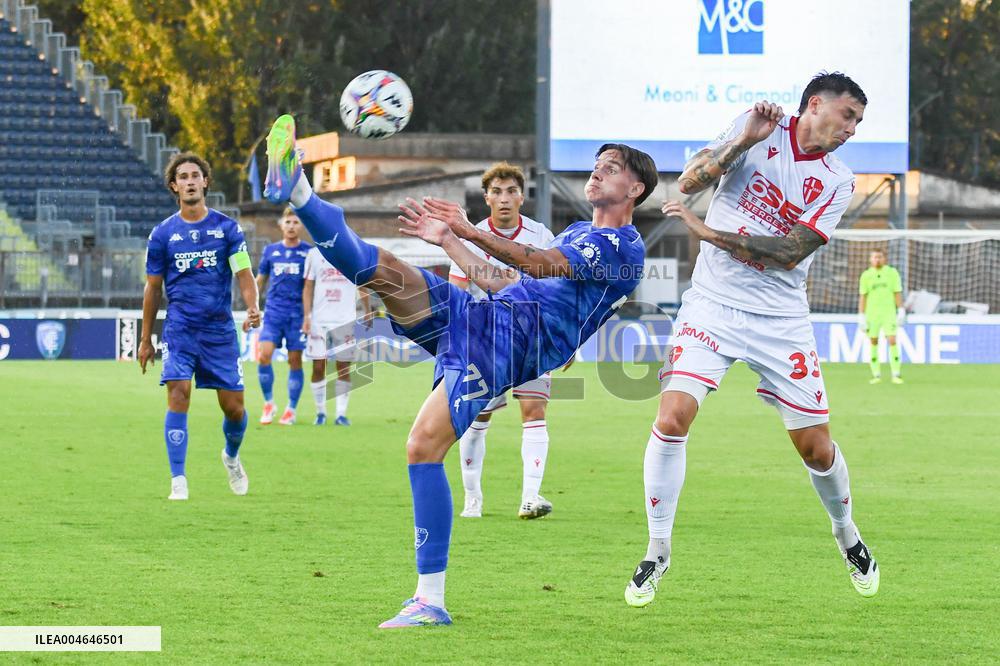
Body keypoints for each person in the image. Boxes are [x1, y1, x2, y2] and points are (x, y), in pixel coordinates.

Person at [262, 113, 656, 627]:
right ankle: (298, 191)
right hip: (484, 315)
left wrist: (467, 228)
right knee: (380, 267)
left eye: (611, 168)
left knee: (422, 447)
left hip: (507, 347)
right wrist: (449, 241)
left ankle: (430, 600)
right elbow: (506, 283)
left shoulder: (623, 247)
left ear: (636, 188)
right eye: (597, 165)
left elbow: (535, 265)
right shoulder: (580, 230)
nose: (597, 173)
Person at [624, 72, 880, 608]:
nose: (853, 128)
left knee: (815, 447)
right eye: (849, 115)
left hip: (780, 319)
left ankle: (847, 533)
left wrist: (708, 233)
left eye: (858, 120)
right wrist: (742, 140)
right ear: (816, 105)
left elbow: (789, 251)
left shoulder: (837, 180)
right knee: (671, 417)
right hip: (711, 306)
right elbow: (690, 182)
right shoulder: (757, 129)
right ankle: (656, 550)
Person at [139, 152, 259, 501]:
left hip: (219, 331)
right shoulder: (162, 234)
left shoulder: (226, 229)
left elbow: (243, 272)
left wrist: (253, 307)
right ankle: (178, 479)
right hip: (180, 329)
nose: (190, 181)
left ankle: (231, 456)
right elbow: (152, 287)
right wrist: (146, 338)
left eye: (195, 175)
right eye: (183, 177)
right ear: (174, 186)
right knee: (178, 393)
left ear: (205, 182)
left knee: (234, 408)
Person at [448, 162, 557, 520]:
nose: (504, 198)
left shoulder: (541, 237)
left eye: (511, 191)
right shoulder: (471, 236)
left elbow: (557, 290)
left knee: (534, 410)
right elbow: (457, 292)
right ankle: (473, 498)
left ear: (522, 197)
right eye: (497, 192)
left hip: (532, 338)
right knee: (476, 418)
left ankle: (530, 497)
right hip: (487, 338)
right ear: (486, 197)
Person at [253, 208, 312, 425]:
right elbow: (260, 281)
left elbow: (310, 285)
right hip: (274, 312)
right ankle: (269, 403)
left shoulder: (308, 253)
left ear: (301, 226)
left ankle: (291, 409)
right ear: (281, 225)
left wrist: (308, 315)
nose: (291, 226)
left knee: (294, 361)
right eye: (288, 222)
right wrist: (252, 306)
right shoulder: (271, 251)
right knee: (264, 355)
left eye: (296, 222)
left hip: (297, 315)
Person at [302, 243, 372, 425]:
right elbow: (308, 286)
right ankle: (320, 413)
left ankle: (341, 414)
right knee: (318, 367)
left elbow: (361, 284)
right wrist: (307, 316)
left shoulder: (352, 253)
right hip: (319, 321)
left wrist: (368, 310)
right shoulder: (314, 254)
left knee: (343, 367)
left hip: (345, 320)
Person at [858, 249, 906, 384]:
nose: (877, 259)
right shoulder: (866, 275)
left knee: (892, 340)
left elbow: (897, 292)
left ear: (884, 258)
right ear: (870, 259)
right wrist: (861, 315)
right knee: (873, 341)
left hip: (888, 313)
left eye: (879, 257)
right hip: (871, 314)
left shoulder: (892, 273)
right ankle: (876, 375)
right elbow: (863, 296)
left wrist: (901, 309)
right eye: (874, 257)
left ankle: (896, 374)